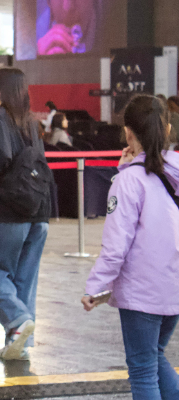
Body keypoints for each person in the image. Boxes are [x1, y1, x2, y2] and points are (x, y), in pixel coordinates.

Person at [83, 94, 179, 400]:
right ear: (166, 130)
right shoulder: (173, 173)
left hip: (142, 291)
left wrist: (95, 287)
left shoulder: (128, 182)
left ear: (128, 133)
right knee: (154, 356)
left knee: (142, 369)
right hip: (174, 285)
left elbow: (115, 245)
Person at [0, 68, 51, 361]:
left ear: (3, 88)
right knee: (25, 278)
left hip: (10, 210)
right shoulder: (30, 121)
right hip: (39, 211)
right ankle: (20, 345)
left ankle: (17, 321)